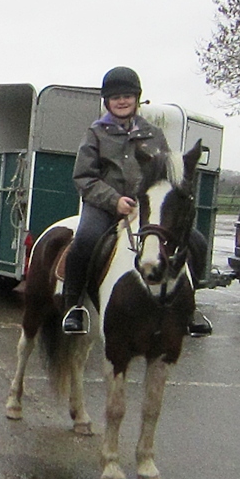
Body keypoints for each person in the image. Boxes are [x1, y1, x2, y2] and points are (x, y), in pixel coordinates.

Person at [62, 66, 211, 336]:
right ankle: (74, 306)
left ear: (137, 98)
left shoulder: (154, 134)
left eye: (127, 96)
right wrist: (114, 200)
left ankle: (190, 306)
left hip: (146, 208)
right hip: (104, 206)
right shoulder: (95, 133)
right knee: (85, 239)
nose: (122, 101)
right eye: (115, 97)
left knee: (196, 241)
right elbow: (84, 177)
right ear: (107, 101)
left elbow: (166, 174)